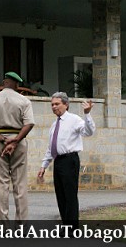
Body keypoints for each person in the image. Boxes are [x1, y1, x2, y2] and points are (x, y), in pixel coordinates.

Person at [0, 71, 35, 221]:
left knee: (1, 184)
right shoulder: (24, 101)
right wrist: (16, 140)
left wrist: (2, 140)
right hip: (18, 141)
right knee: (20, 184)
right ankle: (22, 224)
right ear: (16, 84)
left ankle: (2, 225)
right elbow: (29, 123)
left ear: (4, 82)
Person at [37, 92, 95, 230]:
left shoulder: (74, 119)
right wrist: (44, 165)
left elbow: (89, 132)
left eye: (57, 104)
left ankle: (72, 227)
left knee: (69, 194)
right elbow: (51, 147)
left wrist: (87, 114)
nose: (54, 107)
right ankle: (65, 224)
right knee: (60, 194)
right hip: (58, 161)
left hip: (69, 160)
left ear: (66, 105)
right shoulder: (54, 125)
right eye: (52, 104)